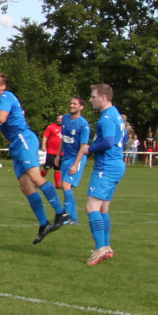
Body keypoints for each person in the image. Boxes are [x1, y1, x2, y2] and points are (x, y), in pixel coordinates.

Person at [0, 73, 69, 244]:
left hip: (24, 139)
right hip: (16, 144)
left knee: (36, 176)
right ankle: (44, 223)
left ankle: (61, 212)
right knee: (26, 186)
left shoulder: (5, 97)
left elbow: (1, 118)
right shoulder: (3, 101)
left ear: (3, 86)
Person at [78, 83, 126, 265]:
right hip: (117, 164)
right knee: (103, 207)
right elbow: (123, 138)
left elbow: (108, 142)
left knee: (92, 207)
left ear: (103, 97)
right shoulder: (117, 115)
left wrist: (89, 149)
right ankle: (106, 247)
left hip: (106, 166)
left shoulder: (106, 117)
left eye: (93, 96)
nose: (91, 100)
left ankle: (99, 249)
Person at [60, 96, 90, 224]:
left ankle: (67, 216)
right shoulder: (65, 118)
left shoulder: (83, 125)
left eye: (75, 104)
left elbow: (83, 147)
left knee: (66, 185)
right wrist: (57, 156)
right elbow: (64, 138)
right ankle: (73, 218)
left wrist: (75, 164)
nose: (71, 105)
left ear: (81, 107)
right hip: (65, 158)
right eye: (70, 103)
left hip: (77, 158)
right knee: (67, 187)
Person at [42, 114, 63, 188]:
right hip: (51, 151)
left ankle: (58, 185)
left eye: (61, 118)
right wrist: (43, 145)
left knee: (58, 169)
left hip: (61, 153)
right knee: (47, 167)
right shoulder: (51, 126)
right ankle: (38, 181)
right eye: (58, 118)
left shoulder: (66, 128)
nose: (59, 120)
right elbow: (45, 136)